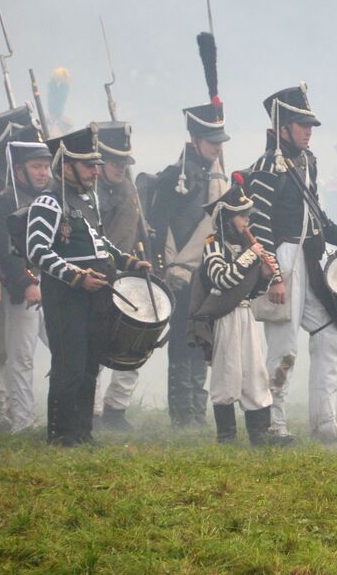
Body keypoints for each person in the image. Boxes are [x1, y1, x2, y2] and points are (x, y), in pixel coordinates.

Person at [246, 85, 337, 443]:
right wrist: (273, 276)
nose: (308, 131)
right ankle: (275, 424)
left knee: (330, 333)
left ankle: (325, 422)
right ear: (283, 127)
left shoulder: (307, 162)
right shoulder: (267, 166)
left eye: (309, 125)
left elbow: (316, 215)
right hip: (281, 260)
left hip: (308, 259)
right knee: (284, 348)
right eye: (301, 124)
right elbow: (259, 224)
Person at [26, 125, 150, 446]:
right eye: (88, 165)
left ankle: (83, 433)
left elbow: (101, 244)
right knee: (69, 366)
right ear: (66, 166)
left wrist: (128, 262)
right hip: (66, 296)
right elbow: (37, 250)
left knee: (89, 367)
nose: (95, 171)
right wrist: (76, 276)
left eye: (96, 165)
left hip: (97, 293)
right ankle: (61, 435)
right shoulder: (49, 202)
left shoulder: (87, 199)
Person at [146, 102, 230, 427]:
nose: (217, 147)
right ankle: (183, 417)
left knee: (201, 340)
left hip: (206, 273)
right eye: (212, 141)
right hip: (181, 274)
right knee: (182, 342)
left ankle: (196, 410)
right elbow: (158, 224)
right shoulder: (175, 176)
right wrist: (159, 267)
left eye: (220, 142)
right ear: (194, 138)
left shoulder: (215, 175)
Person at [189, 172, 286, 446]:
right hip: (224, 316)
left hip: (245, 314)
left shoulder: (245, 246)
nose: (247, 221)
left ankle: (261, 434)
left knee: (255, 373)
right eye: (242, 216)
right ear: (226, 218)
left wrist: (266, 276)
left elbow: (251, 290)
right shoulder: (213, 245)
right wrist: (250, 256)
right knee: (227, 374)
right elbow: (222, 278)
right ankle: (227, 437)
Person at [0, 119, 51, 434]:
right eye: (36, 166)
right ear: (19, 169)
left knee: (66, 349)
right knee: (19, 357)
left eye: (46, 167)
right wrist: (26, 281)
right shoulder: (3, 201)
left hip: (53, 284)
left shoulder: (51, 199)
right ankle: (21, 422)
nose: (43, 173)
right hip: (24, 288)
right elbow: (4, 250)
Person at [94, 121, 151, 431]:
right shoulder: (90, 193)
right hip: (99, 275)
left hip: (129, 273)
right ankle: (93, 414)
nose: (120, 167)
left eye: (124, 162)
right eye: (114, 161)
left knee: (137, 342)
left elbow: (138, 231)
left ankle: (117, 407)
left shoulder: (129, 189)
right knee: (97, 346)